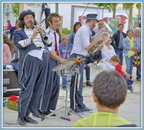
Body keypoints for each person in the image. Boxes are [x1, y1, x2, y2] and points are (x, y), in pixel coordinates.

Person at [13, 9, 66, 125]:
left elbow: (49, 43)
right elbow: (19, 44)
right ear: (22, 21)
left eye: (31, 17)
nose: (30, 19)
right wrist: (32, 37)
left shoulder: (39, 30)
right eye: (27, 18)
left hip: (43, 61)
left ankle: (28, 114)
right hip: (30, 62)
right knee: (27, 89)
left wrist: (43, 34)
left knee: (39, 89)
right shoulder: (19, 32)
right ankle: (21, 116)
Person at [69, 13, 104, 113]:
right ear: (92, 21)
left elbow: (89, 48)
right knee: (76, 83)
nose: (96, 24)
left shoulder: (87, 30)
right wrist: (97, 40)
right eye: (95, 22)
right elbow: (87, 46)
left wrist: (98, 46)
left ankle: (79, 104)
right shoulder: (84, 29)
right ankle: (75, 106)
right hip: (77, 57)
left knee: (79, 83)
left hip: (80, 57)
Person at [40, 13, 67, 116]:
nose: (58, 23)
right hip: (50, 60)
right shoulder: (46, 34)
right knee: (48, 85)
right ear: (49, 22)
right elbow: (50, 51)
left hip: (56, 60)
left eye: (58, 21)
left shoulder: (56, 34)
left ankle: (50, 107)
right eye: (55, 21)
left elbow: (57, 49)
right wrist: (60, 59)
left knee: (56, 85)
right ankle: (43, 108)